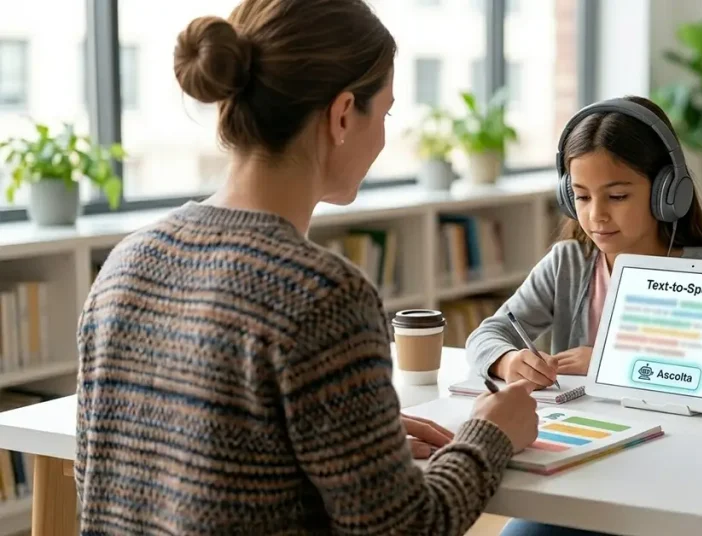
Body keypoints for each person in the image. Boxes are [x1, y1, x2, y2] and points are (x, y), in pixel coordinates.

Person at [74, 2, 540, 534]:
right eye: (384, 113)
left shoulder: (127, 264)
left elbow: (100, 487)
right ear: (343, 115)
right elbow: (407, 529)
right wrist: (491, 432)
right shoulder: (321, 296)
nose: (384, 139)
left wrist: (364, 445)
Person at [464, 95, 702, 536]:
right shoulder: (567, 264)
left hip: (675, 472)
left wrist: (608, 362)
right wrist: (508, 361)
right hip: (581, 466)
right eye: (581, 197)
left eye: (618, 195)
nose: (596, 215)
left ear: (667, 193)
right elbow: (489, 332)